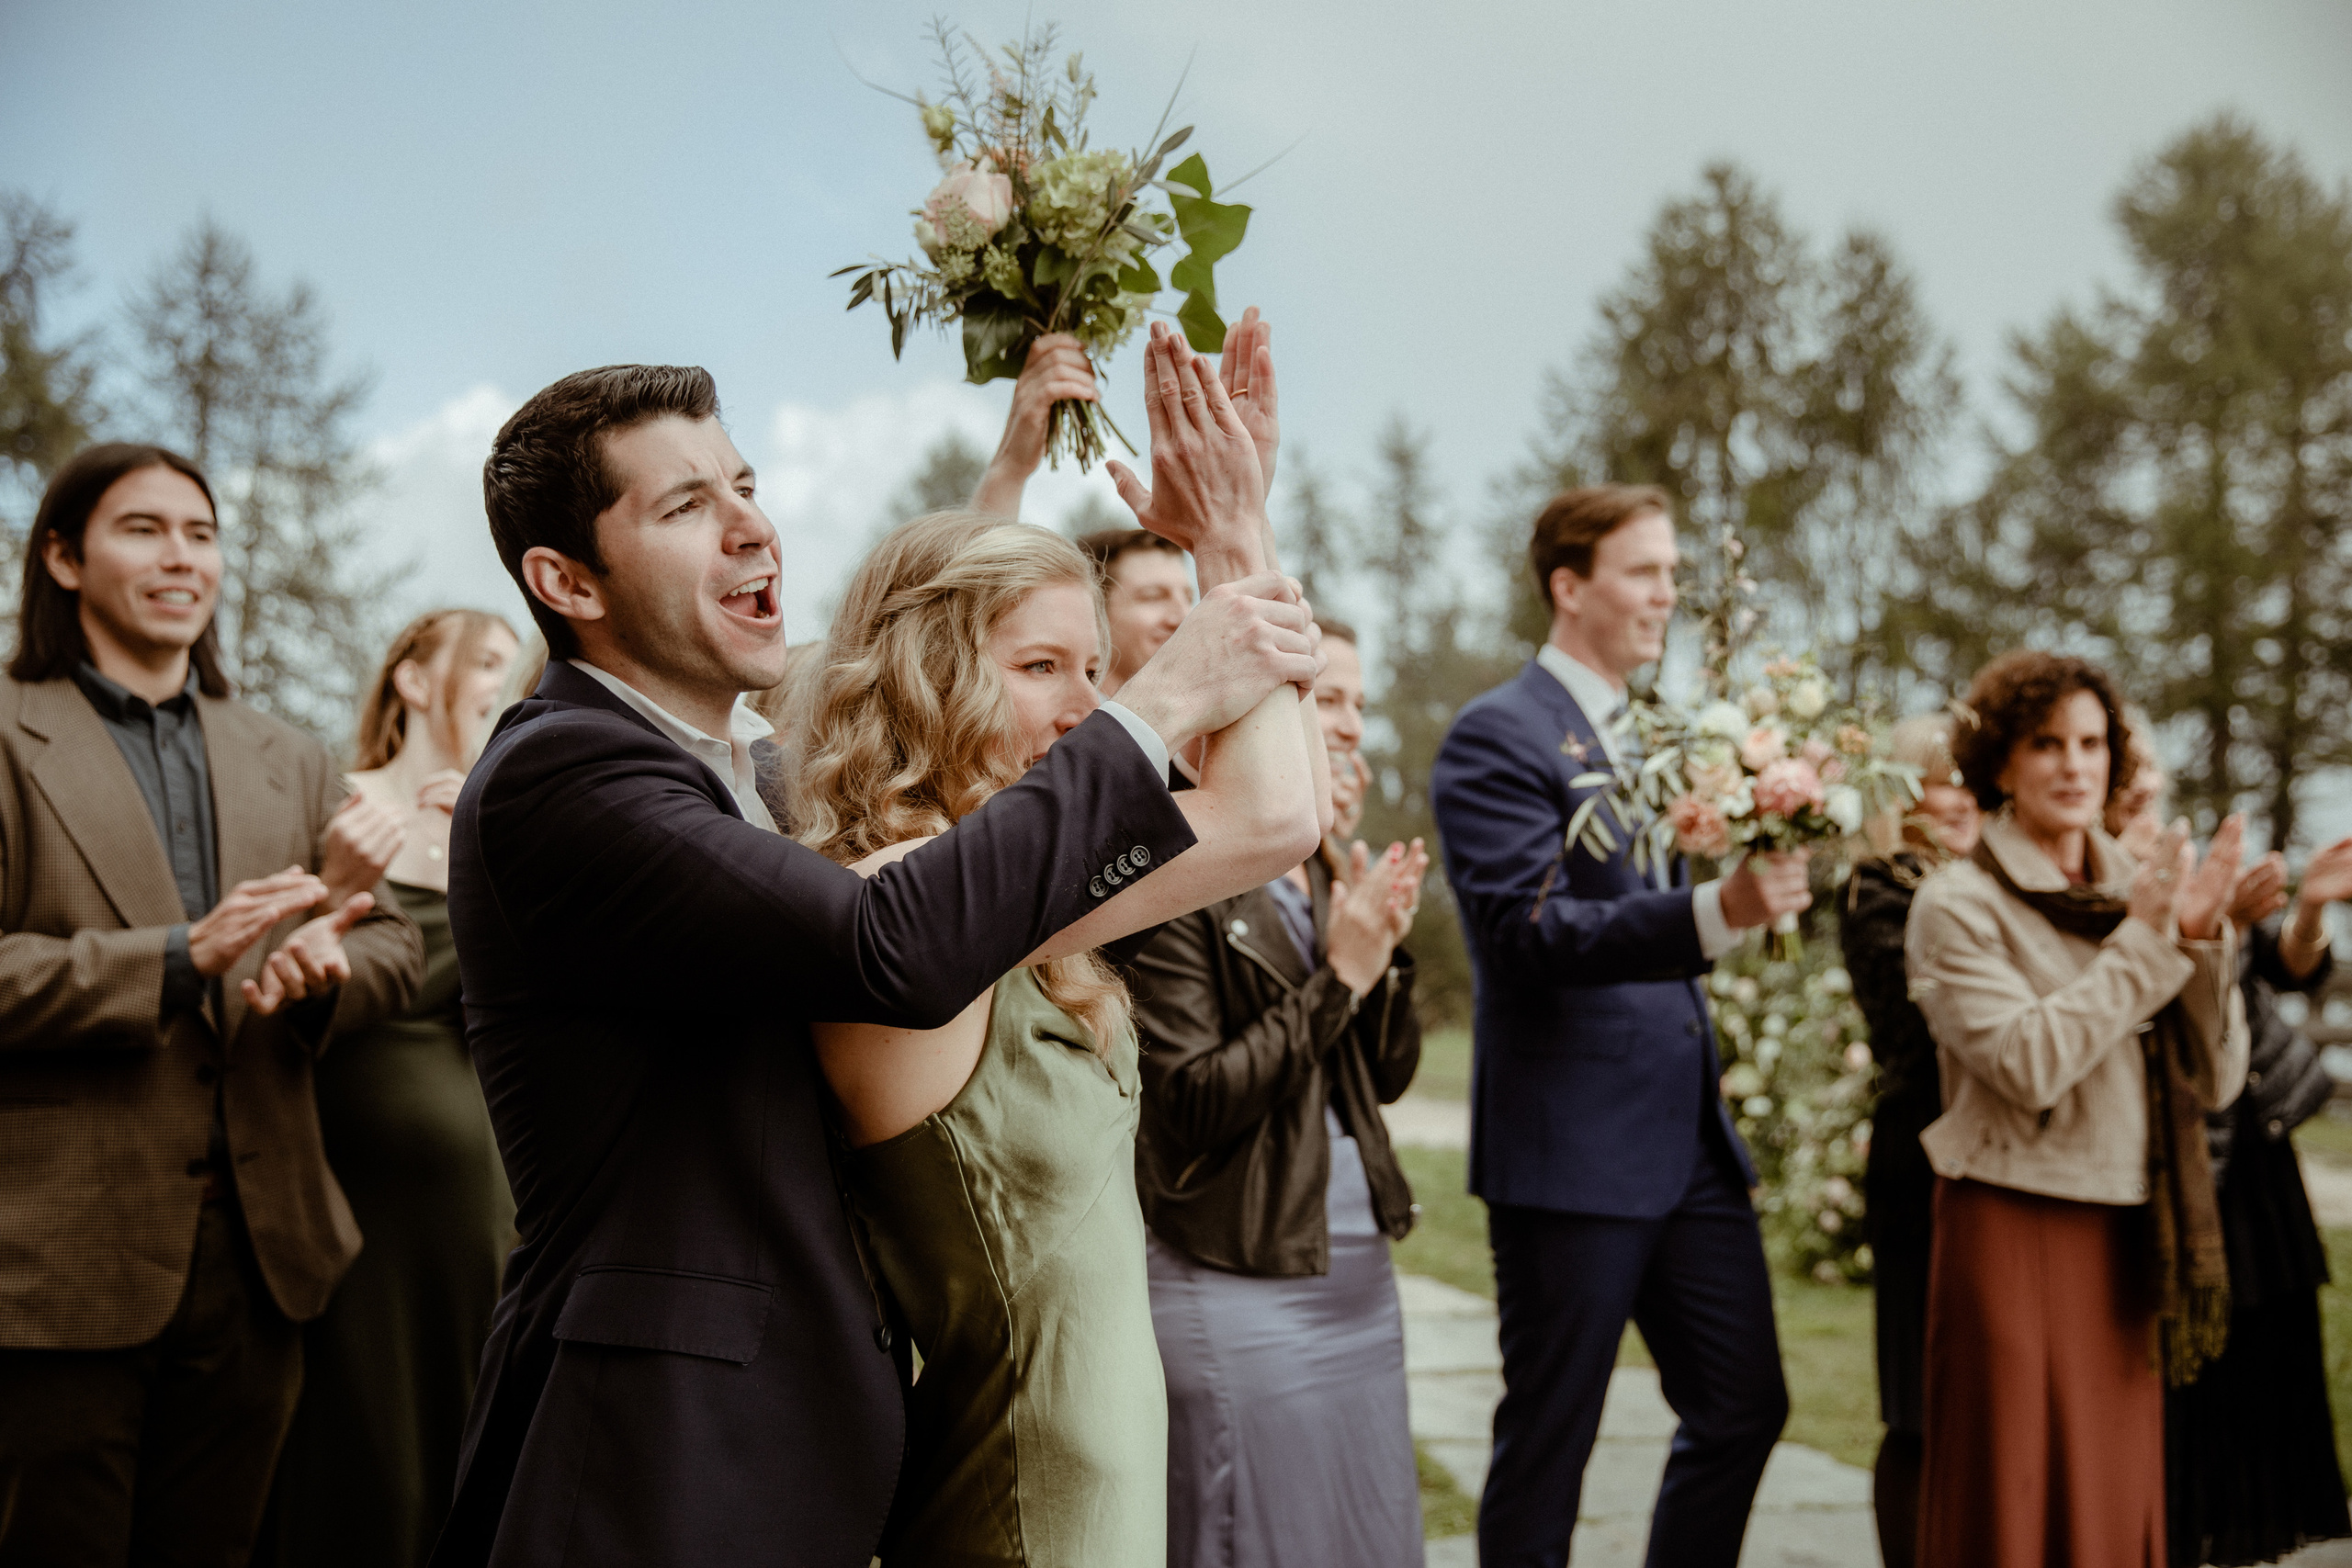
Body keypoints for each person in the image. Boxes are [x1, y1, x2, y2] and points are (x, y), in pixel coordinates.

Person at [435, 322, 1318, 1567]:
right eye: (688, 503)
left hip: (821, 1441)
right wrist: (1163, 695)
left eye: (745, 484)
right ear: (568, 582)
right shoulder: (559, 772)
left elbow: (1256, 816)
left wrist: (1231, 528)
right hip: (658, 1456)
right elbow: (886, 939)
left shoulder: (766, 776)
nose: (753, 524)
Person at [791, 493, 1324, 1565]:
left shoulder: (1028, 912)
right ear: (926, 677)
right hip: (1022, 1503)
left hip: (1107, 1472)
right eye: (1041, 669)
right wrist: (1226, 542)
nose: (1086, 707)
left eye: (1094, 670)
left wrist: (1234, 519)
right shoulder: (901, 905)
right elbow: (1268, 819)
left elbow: (1285, 810)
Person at [0, 443, 424, 1567]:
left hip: (265, 1261)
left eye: (201, 533)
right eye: (144, 529)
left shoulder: (285, 753)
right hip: (52, 1277)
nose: (181, 557)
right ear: (61, 557)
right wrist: (177, 961)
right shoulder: (4, 732)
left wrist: (323, 972)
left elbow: (389, 945)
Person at [1429, 484, 1813, 1568]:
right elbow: (1527, 932)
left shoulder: (1667, 738)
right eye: (1646, 573)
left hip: (1688, 1146)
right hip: (1569, 1152)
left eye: (1675, 575)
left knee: (1745, 1406)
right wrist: (1717, 910)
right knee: (1551, 1444)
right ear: (1569, 585)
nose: (1667, 596)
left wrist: (1742, 905)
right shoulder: (1495, 737)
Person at [1905, 649, 2250, 1568]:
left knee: (2107, 1495)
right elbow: (2027, 1063)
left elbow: (2214, 1082)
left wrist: (2202, 940)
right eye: (2044, 742)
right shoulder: (1955, 903)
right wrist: (2147, 941)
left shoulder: (2133, 892)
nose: (2073, 764)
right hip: (2010, 1225)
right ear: (2001, 763)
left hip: (2130, 1230)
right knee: (2010, 1500)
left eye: (2092, 743)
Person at [1129, 617, 1431, 1568]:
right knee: (1254, 1536)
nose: (1342, 728)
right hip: (1241, 1268)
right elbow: (1192, 1099)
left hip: (1355, 1274)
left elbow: (1381, 1078)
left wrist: (1379, 956)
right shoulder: (1179, 866)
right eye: (1321, 699)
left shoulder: (1323, 864)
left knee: (1361, 1530)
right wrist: (1337, 978)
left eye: (1353, 705)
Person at [258, 609, 522, 1568]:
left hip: (484, 1209)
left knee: (470, 1461)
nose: (507, 680)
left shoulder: (503, 826)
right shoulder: (334, 808)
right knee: (358, 1462)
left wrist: (496, 856)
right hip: (355, 1205)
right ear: (414, 681)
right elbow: (276, 979)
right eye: (487, 661)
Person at [2135, 750, 2352, 1564]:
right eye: (2135, 792)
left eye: (2155, 791)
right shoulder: (2101, 878)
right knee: (2188, 1414)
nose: (2149, 806)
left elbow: (2288, 964)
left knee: (2267, 1407)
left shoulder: (2189, 863)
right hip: (2182, 1166)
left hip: (2258, 1154)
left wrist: (2309, 908)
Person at [1837, 715, 1981, 1568]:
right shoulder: (1876, 890)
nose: (1959, 798)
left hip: (2000, 1162)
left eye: (1969, 779)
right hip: (1920, 1161)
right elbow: (1918, 1031)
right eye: (1938, 780)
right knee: (1919, 1408)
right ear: (1899, 795)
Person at [1078, 527, 1195, 699]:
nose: (1185, 617)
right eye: (1153, 596)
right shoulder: (1072, 723)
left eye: (1189, 598)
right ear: (1094, 612)